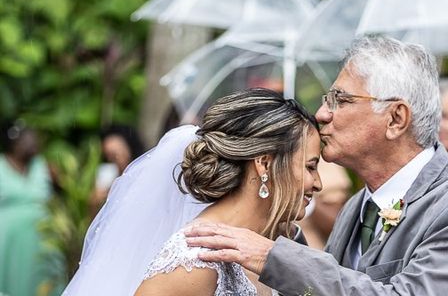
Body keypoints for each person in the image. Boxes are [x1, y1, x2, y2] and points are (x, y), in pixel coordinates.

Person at [185, 35, 448, 295]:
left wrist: (271, 256)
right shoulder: (358, 206)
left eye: (340, 100)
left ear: (396, 119)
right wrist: (276, 226)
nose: (322, 114)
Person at [63, 88, 322, 296]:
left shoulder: (276, 244)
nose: (318, 183)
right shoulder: (194, 260)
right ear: (264, 163)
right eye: (310, 167)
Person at [0, 123, 53, 296]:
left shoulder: (41, 165)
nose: (33, 142)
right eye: (27, 139)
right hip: (8, 241)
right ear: (14, 144)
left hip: (42, 238)